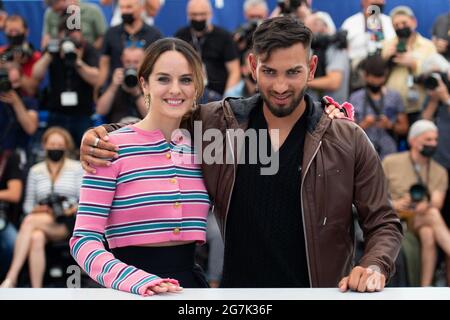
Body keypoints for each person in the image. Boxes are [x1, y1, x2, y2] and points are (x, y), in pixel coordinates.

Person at [80, 16, 402, 292]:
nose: (280, 85)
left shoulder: (345, 138)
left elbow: (384, 222)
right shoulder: (217, 125)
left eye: (293, 72)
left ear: (312, 67)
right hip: (238, 300)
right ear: (252, 66)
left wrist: (374, 265)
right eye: (270, 71)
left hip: (317, 295)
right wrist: (103, 134)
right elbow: (159, 121)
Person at [70, 38, 214, 296]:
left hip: (188, 289)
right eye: (163, 79)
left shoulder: (203, 149)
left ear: (196, 87)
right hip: (127, 289)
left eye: (185, 79)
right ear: (144, 83)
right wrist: (134, 279)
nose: (175, 89)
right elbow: (83, 241)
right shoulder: (108, 147)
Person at [0, 127, 82, 288]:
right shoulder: (35, 171)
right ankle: (37, 289)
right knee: (36, 237)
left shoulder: (77, 168)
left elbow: (84, 200)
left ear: (66, 146)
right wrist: (39, 209)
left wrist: (71, 209)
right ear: (44, 145)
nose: (55, 148)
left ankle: (11, 276)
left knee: (30, 222)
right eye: (52, 144)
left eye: (59, 144)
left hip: (69, 221)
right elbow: (27, 206)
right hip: (42, 220)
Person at [382, 120, 450, 286]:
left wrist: (426, 205)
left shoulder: (439, 171)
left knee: (428, 232)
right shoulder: (391, 162)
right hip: (397, 219)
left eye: (435, 140)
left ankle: (424, 287)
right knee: (430, 226)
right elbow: (375, 196)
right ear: (413, 140)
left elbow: (437, 203)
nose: (433, 144)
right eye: (428, 140)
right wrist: (395, 203)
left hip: (422, 217)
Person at [32, 19, 100, 147]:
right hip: (57, 112)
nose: (72, 37)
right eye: (68, 33)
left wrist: (77, 61)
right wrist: (49, 54)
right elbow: (36, 75)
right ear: (60, 34)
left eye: (75, 32)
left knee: (86, 150)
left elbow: (96, 79)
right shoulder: (53, 49)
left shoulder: (87, 49)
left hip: (82, 113)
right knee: (54, 148)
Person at [381, 6, 436, 125]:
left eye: (404, 23)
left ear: (414, 22)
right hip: (391, 107)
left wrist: (414, 64)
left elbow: (434, 75)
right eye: (396, 25)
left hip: (418, 106)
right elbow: (377, 74)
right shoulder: (387, 45)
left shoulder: (428, 46)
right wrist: (387, 59)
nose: (401, 27)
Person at [174, 0, 241, 98]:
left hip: (218, 95)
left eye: (202, 14)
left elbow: (234, 71)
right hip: (187, 93)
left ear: (210, 14)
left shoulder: (224, 37)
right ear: (187, 15)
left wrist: (226, 99)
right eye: (194, 14)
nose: (198, 18)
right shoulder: (180, 36)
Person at [349, 54, 408, 159]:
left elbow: (404, 128)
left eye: (380, 78)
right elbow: (348, 131)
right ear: (366, 76)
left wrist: (389, 125)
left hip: (389, 152)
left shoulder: (394, 96)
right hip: (362, 151)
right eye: (373, 79)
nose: (376, 83)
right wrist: (363, 125)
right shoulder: (355, 98)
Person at [97, 0, 162, 90]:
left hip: (145, 91)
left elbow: (159, 66)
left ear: (141, 8)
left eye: (129, 7)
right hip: (116, 90)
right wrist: (98, 90)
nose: (124, 11)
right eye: (122, 8)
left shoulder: (154, 35)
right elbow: (104, 64)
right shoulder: (111, 33)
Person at [96, 46, 146, 123]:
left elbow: (150, 115)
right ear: (122, 60)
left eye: (136, 62)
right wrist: (113, 86)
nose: (131, 66)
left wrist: (137, 93)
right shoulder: (115, 77)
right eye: (128, 62)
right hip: (117, 129)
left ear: (143, 62)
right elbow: (100, 111)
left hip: (143, 129)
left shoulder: (148, 81)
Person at [0, 15, 41, 96]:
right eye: (10, 31)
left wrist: (17, 70)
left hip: (26, 102)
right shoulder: (2, 52)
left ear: (26, 31)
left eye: (16, 31)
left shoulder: (35, 56)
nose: (13, 35)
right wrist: (4, 64)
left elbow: (31, 91)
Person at [41, 0, 107, 50]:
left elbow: (103, 38)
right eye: (56, 11)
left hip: (88, 56)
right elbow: (45, 41)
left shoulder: (93, 11)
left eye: (60, 9)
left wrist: (89, 51)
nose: (59, 13)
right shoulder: (50, 13)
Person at [0, 150, 23, 281]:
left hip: (3, 217)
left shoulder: (8, 157)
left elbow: (15, 194)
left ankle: (6, 280)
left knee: (12, 242)